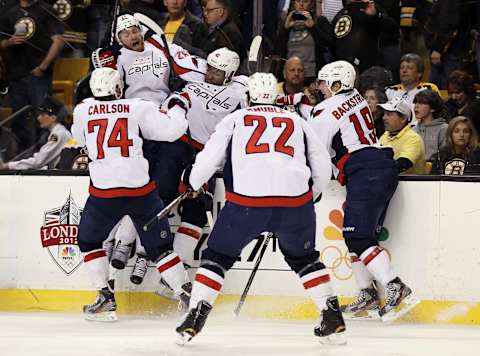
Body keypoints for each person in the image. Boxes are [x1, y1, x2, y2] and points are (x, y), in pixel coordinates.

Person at [175, 72, 346, 345]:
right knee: (305, 260)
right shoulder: (297, 121)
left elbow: (208, 161)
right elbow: (323, 167)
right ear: (277, 96)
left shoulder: (234, 119)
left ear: (248, 97)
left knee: (217, 257)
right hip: (295, 204)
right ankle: (332, 314)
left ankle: (197, 313)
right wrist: (307, 197)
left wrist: (192, 182)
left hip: (247, 203)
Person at [71, 67, 191, 322]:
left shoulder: (82, 110)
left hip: (104, 194)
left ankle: (105, 297)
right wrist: (179, 105)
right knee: (160, 248)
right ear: (117, 88)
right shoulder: (138, 106)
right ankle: (186, 295)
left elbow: (78, 137)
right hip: (141, 191)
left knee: (89, 242)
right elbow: (172, 131)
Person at [308, 61, 418, 322]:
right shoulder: (355, 97)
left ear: (337, 84)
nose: (320, 87)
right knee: (356, 236)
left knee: (357, 237)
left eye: (324, 82)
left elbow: (317, 152)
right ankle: (367, 293)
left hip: (365, 171)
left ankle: (394, 285)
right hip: (379, 166)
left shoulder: (324, 110)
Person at [0, 0, 64, 151]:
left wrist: (43, 66)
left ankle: (45, 157)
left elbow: (58, 41)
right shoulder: (9, 11)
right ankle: (22, 160)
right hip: (15, 76)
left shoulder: (45, 9)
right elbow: (1, 42)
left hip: (38, 75)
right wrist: (9, 42)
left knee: (43, 118)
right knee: (19, 121)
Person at [0, 96, 71, 170]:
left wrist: (8, 165)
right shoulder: (56, 133)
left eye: (42, 115)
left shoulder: (59, 135)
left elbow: (38, 161)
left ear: (53, 118)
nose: (38, 118)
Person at [385, 53, 439, 124]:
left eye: (409, 68)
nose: (404, 71)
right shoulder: (389, 91)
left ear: (419, 73)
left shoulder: (429, 88)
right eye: (402, 68)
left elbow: (438, 113)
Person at [379, 97, 426, 174]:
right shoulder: (385, 136)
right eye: (384, 114)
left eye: (389, 114)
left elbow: (403, 164)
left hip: (412, 185)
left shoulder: (413, 138)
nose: (384, 117)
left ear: (403, 118)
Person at [413, 90, 448, 160]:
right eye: (415, 102)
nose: (416, 106)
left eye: (421, 103)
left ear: (432, 108)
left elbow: (445, 155)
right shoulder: (413, 129)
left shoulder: (444, 129)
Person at [444, 70, 480, 135]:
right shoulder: (447, 105)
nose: (453, 97)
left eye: (457, 93)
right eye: (451, 93)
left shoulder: (477, 107)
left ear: (467, 90)